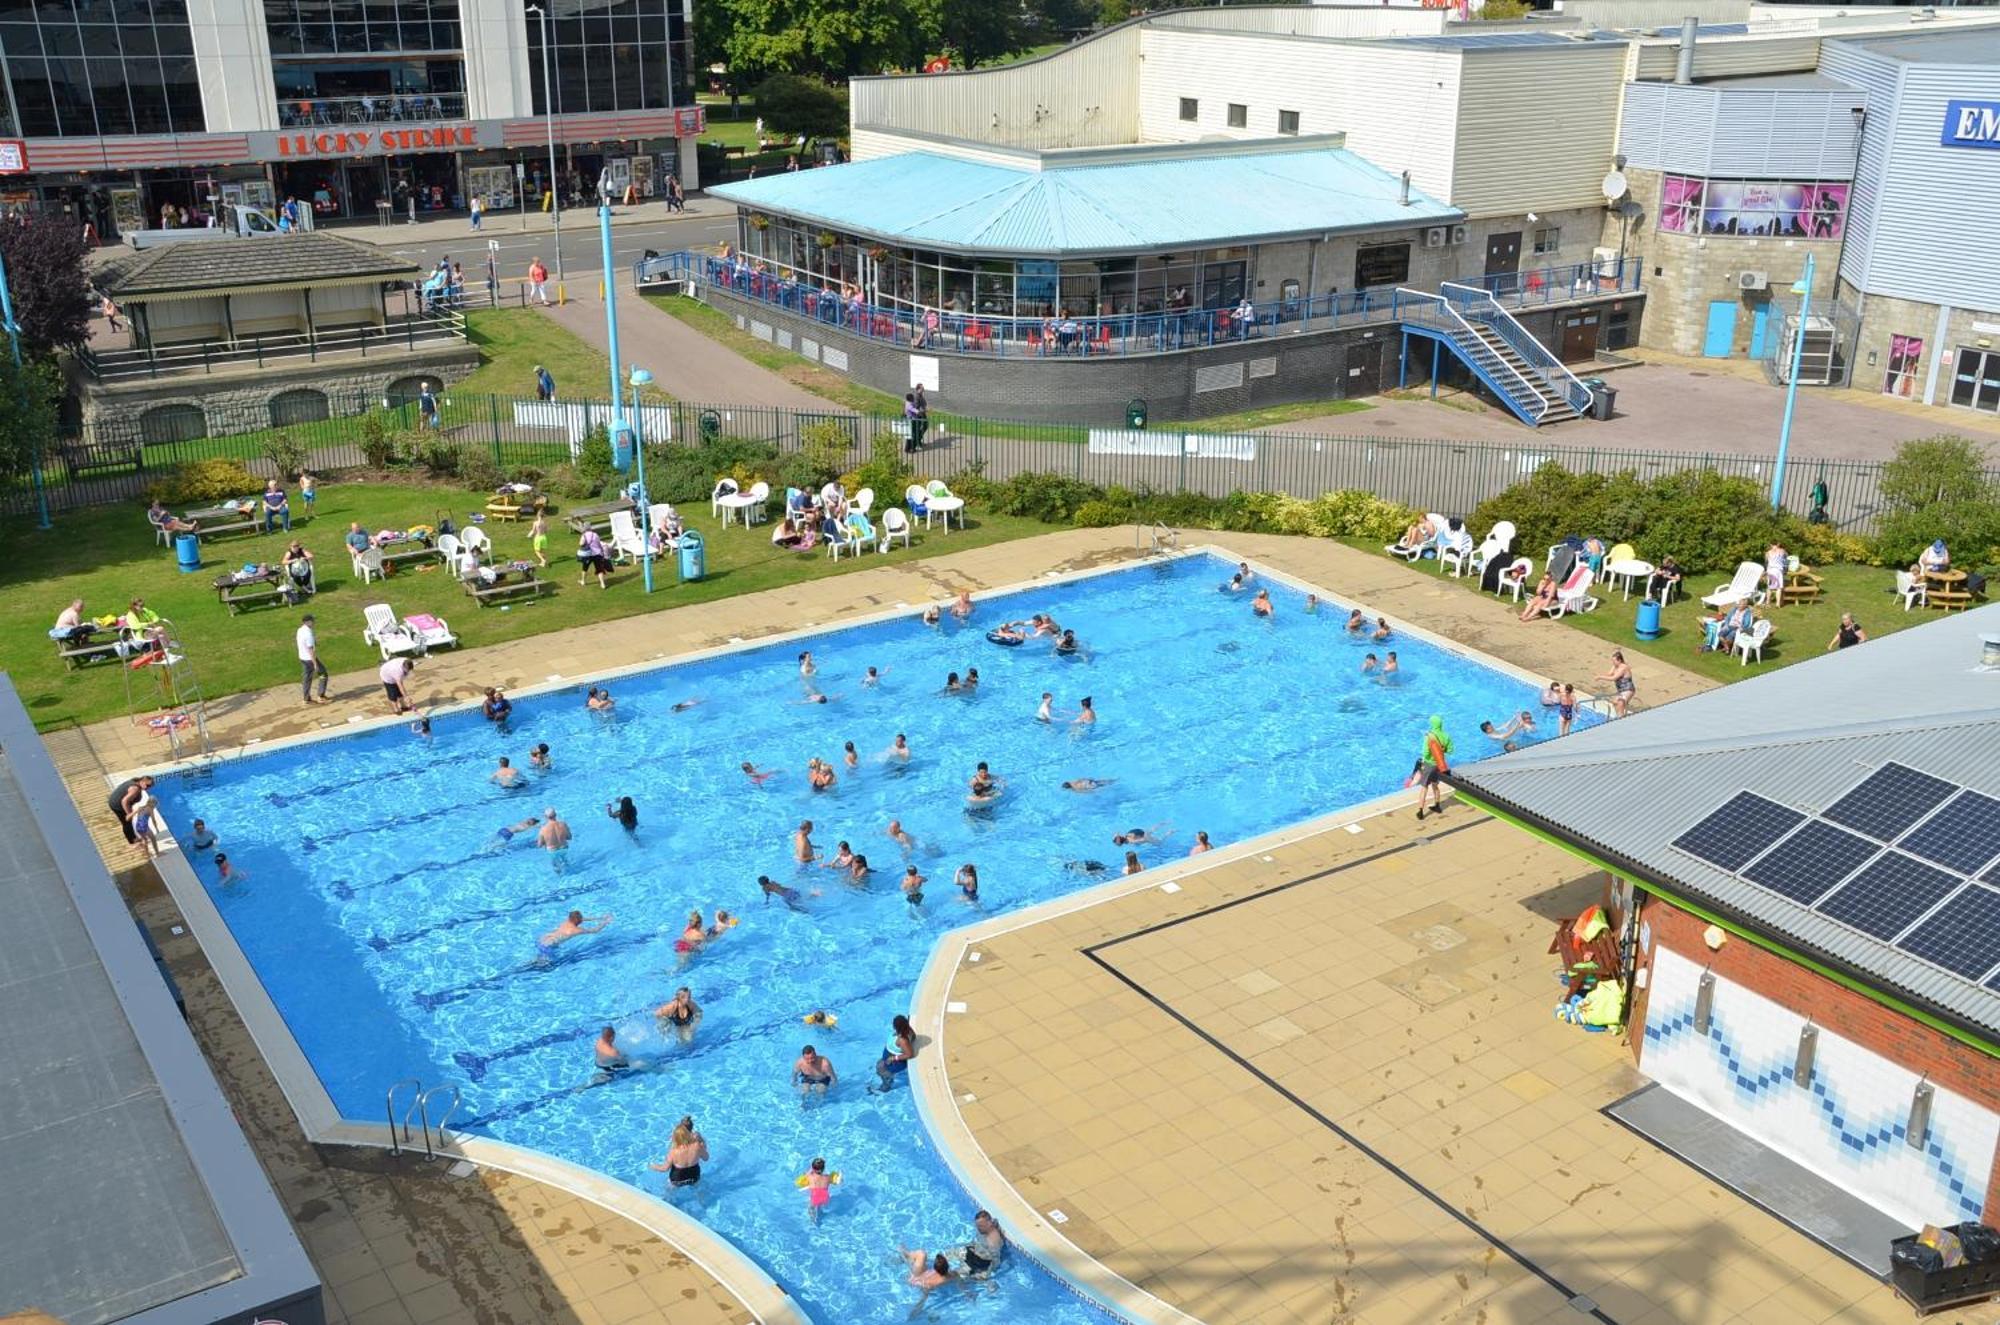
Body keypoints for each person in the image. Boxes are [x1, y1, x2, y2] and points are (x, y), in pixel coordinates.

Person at [649, 1117, 708, 1189]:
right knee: (699, 1190)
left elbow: (664, 1168)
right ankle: (701, 1199)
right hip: (694, 1176)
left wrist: (653, 1166)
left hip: (677, 1178)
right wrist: (701, 1141)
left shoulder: (674, 1151)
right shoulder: (697, 1146)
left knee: (669, 1193)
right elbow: (706, 1158)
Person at [1413, 715, 1451, 821]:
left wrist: (1424, 762)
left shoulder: (1429, 736)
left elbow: (1425, 752)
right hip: (1440, 764)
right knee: (1435, 785)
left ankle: (1420, 811)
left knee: (1424, 788)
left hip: (1429, 764)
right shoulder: (1446, 736)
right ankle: (1437, 806)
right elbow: (1450, 750)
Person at [872, 1014, 917, 1091]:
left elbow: (909, 1054)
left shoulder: (902, 1040)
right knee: (880, 1068)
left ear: (895, 1026)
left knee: (884, 1075)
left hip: (894, 1062)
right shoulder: (903, 1032)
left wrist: (894, 1058)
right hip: (888, 1058)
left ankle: (884, 1089)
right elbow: (913, 1037)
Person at [538, 909, 610, 957]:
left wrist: (600, 918)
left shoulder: (566, 921)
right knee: (540, 965)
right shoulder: (576, 930)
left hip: (543, 939)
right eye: (580, 919)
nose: (582, 921)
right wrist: (605, 922)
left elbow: (582, 919)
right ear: (577, 920)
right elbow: (595, 930)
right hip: (548, 946)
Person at [295, 614, 329, 705]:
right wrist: (315, 664)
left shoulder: (300, 630)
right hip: (309, 659)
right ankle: (320, 696)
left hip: (302, 657)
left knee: (306, 678)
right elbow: (310, 650)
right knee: (323, 674)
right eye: (313, 620)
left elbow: (303, 641)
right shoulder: (308, 633)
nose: (314, 622)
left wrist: (315, 642)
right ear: (308, 622)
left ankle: (306, 699)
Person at [1596, 650, 1636, 718]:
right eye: (1612, 661)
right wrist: (1600, 675)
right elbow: (1609, 674)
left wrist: (1600, 677)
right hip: (1621, 690)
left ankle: (1621, 718)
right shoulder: (1615, 666)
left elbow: (1613, 678)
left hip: (1628, 689)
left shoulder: (1623, 667)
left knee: (1620, 703)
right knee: (1615, 702)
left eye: (1614, 661)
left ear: (1619, 660)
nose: (1613, 662)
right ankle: (1620, 716)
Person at [800, 1157, 840, 1223]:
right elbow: (836, 1182)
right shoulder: (827, 1177)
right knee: (820, 1205)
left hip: (814, 1197)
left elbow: (805, 1176)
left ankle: (813, 1220)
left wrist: (810, 1170)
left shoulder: (810, 1177)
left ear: (813, 1168)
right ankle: (820, 1211)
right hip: (825, 1197)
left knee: (811, 1208)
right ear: (823, 1169)